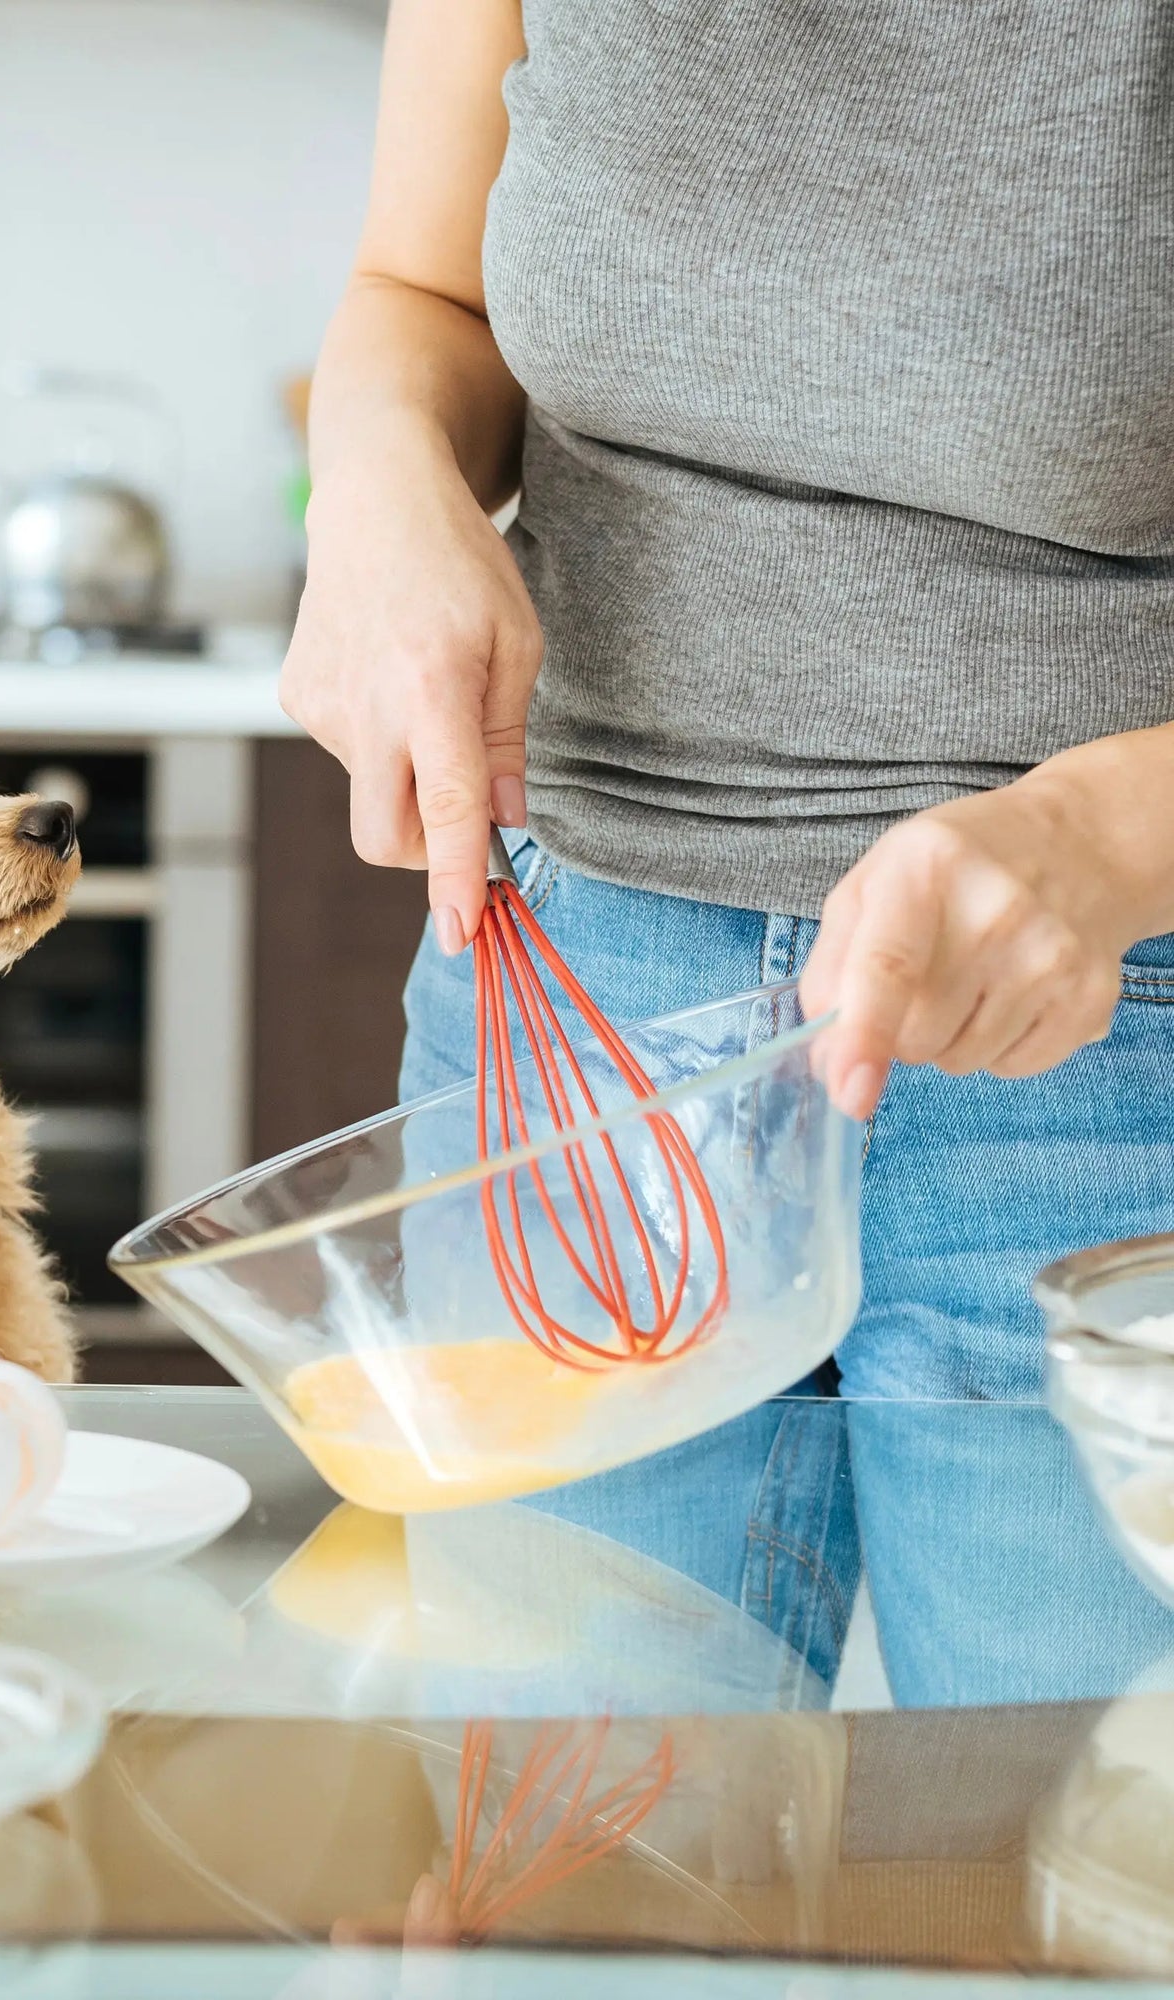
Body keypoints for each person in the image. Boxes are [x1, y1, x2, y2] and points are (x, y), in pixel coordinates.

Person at [282, 0, 1174, 1704]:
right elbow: (429, 291)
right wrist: (383, 479)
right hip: (573, 1026)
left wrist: (1110, 832)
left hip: (1115, 1040)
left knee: (1097, 1910)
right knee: (564, 1924)